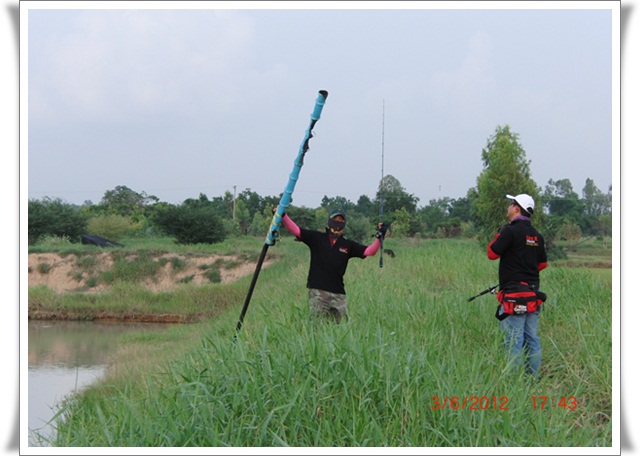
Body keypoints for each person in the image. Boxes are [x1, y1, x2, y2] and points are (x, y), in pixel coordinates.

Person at [281, 209, 386, 323]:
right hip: (318, 292)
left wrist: (380, 237)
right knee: (316, 327)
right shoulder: (317, 238)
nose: (338, 222)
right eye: (335, 219)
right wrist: (283, 215)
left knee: (341, 328)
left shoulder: (348, 244)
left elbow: (370, 251)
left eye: (341, 220)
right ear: (330, 221)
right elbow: (296, 230)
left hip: (338, 293)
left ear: (344, 223)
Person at [487, 194, 548, 378]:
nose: (508, 207)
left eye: (510, 204)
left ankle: (513, 383)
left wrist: (500, 234)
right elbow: (542, 264)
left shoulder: (509, 231)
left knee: (513, 340)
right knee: (531, 337)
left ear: (516, 208)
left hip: (513, 296)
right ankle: (534, 379)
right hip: (533, 294)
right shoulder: (537, 235)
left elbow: (492, 253)